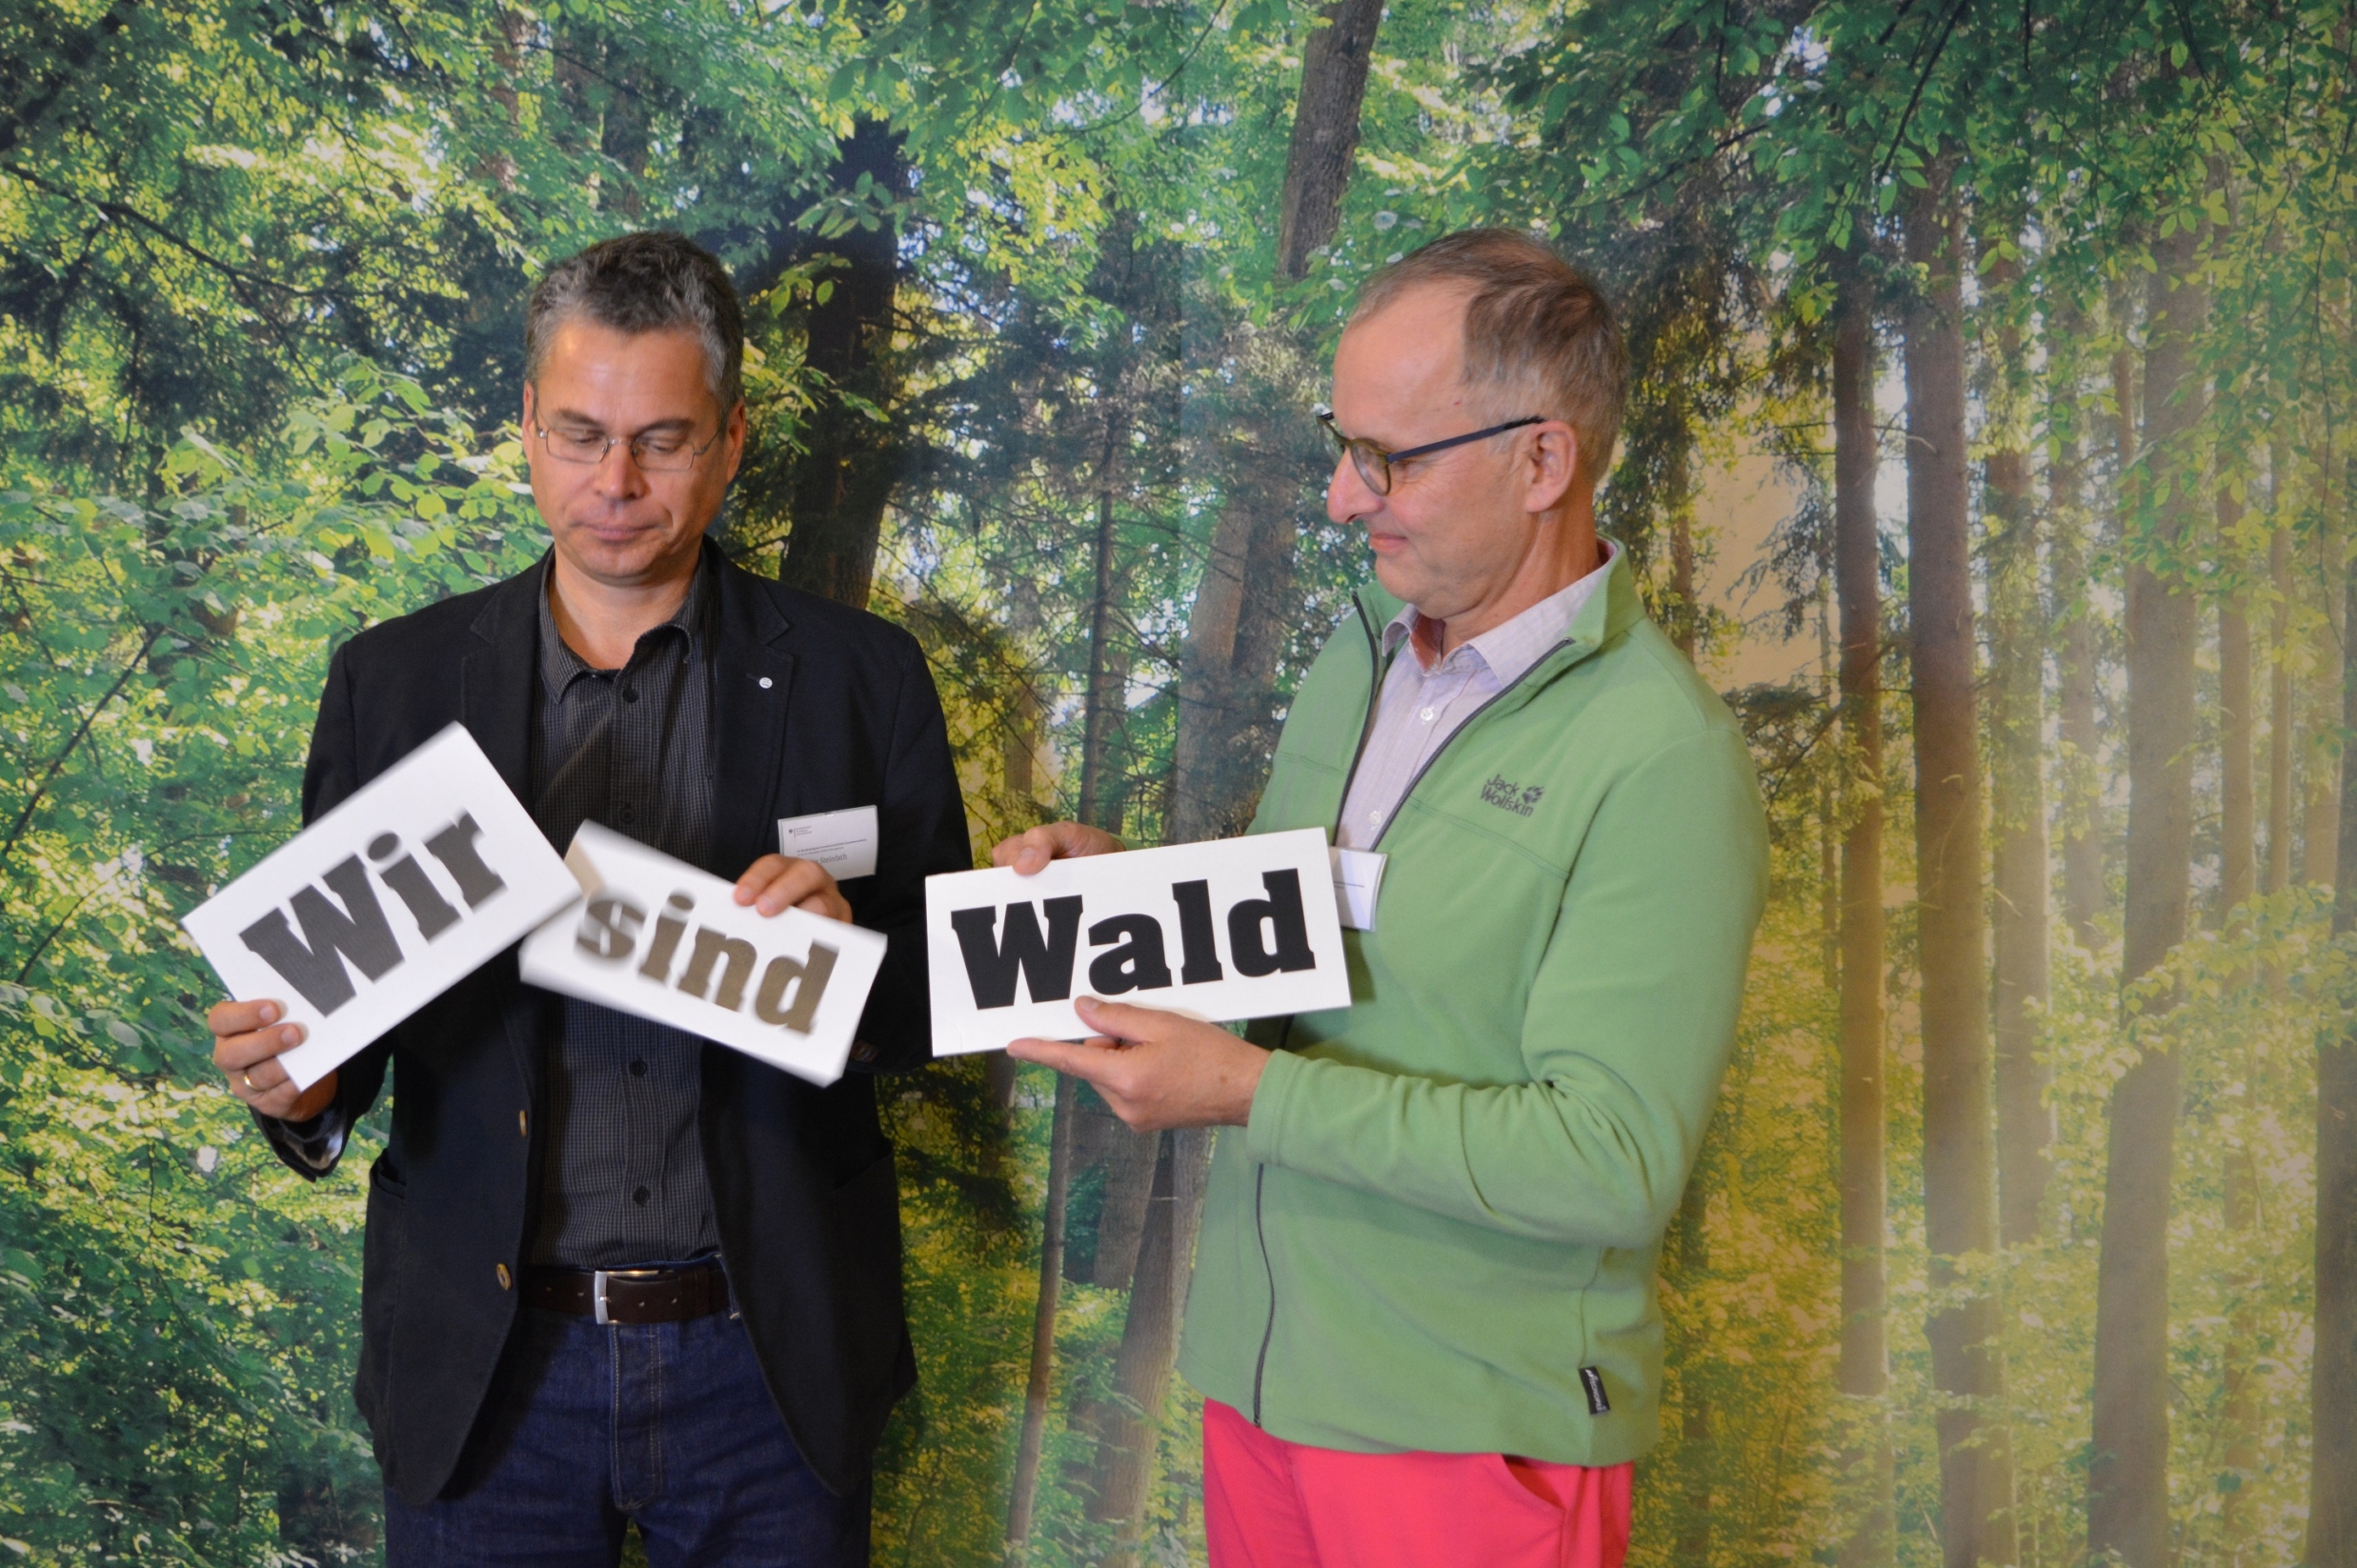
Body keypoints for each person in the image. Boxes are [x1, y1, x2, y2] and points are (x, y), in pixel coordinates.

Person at [999, 229, 1767, 1568]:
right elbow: (1321, 935)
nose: (1343, 500)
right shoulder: (1363, 654)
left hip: (1467, 1439)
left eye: (1388, 458)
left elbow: (1609, 1161)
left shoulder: (1663, 758)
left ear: (1543, 462)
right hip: (1263, 1386)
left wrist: (1250, 1095)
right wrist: (1127, 899)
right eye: (1341, 446)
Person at [206, 231, 972, 1566]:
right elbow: (339, 1043)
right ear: (526, 425)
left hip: (769, 1367)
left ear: (732, 441)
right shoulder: (392, 684)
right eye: (579, 435)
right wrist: (301, 1089)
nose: (614, 484)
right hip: (487, 1371)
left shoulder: (864, 678)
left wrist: (852, 961)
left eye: (662, 441)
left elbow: (944, 999)